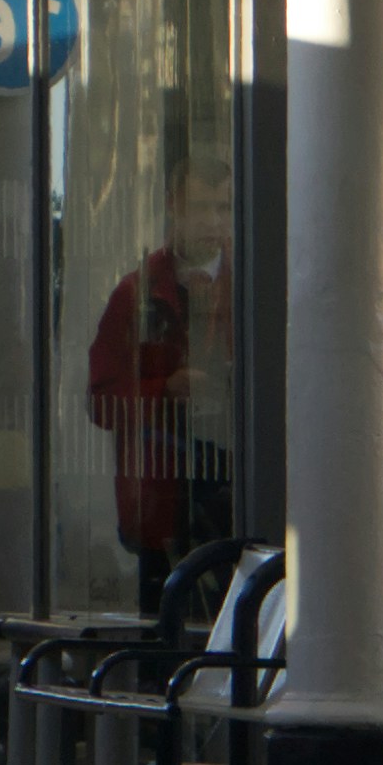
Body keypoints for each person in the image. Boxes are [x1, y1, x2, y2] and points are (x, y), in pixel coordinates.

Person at [83, 160, 234, 599]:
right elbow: (101, 401)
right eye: (200, 207)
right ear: (174, 208)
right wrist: (164, 389)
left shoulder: (250, 284)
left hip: (233, 492)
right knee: (164, 632)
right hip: (161, 504)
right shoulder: (137, 293)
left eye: (222, 208)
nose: (213, 221)